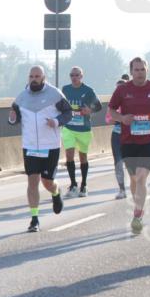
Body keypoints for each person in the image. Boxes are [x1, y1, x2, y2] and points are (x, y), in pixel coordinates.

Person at [107, 57, 150, 235]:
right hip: (128, 141)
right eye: (136, 70)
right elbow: (111, 110)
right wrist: (122, 118)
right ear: (131, 71)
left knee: (142, 177)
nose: (140, 73)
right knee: (134, 178)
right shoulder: (122, 90)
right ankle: (139, 207)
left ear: (147, 70)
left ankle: (137, 214)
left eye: (142, 69)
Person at [8, 65, 71, 232]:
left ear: (43, 78)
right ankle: (34, 219)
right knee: (32, 181)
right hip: (29, 146)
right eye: (31, 76)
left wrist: (56, 122)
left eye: (37, 76)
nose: (34, 79)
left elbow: (68, 113)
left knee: (47, 182)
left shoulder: (55, 94)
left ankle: (55, 192)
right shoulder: (21, 97)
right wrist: (12, 119)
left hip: (50, 146)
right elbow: (15, 118)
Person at [60, 66, 103, 198]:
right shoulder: (65, 89)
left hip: (83, 129)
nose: (74, 77)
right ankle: (73, 185)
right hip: (68, 128)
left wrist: (90, 110)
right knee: (69, 155)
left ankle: (84, 185)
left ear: (81, 76)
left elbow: (99, 106)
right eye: (72, 75)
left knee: (83, 156)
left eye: (77, 75)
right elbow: (60, 104)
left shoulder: (88, 91)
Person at [107, 77, 129, 199]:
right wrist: (121, 119)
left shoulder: (133, 101)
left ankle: (137, 185)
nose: (119, 90)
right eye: (117, 88)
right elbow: (108, 119)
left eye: (121, 88)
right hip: (117, 135)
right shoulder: (113, 103)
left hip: (131, 135)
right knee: (118, 162)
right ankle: (122, 190)